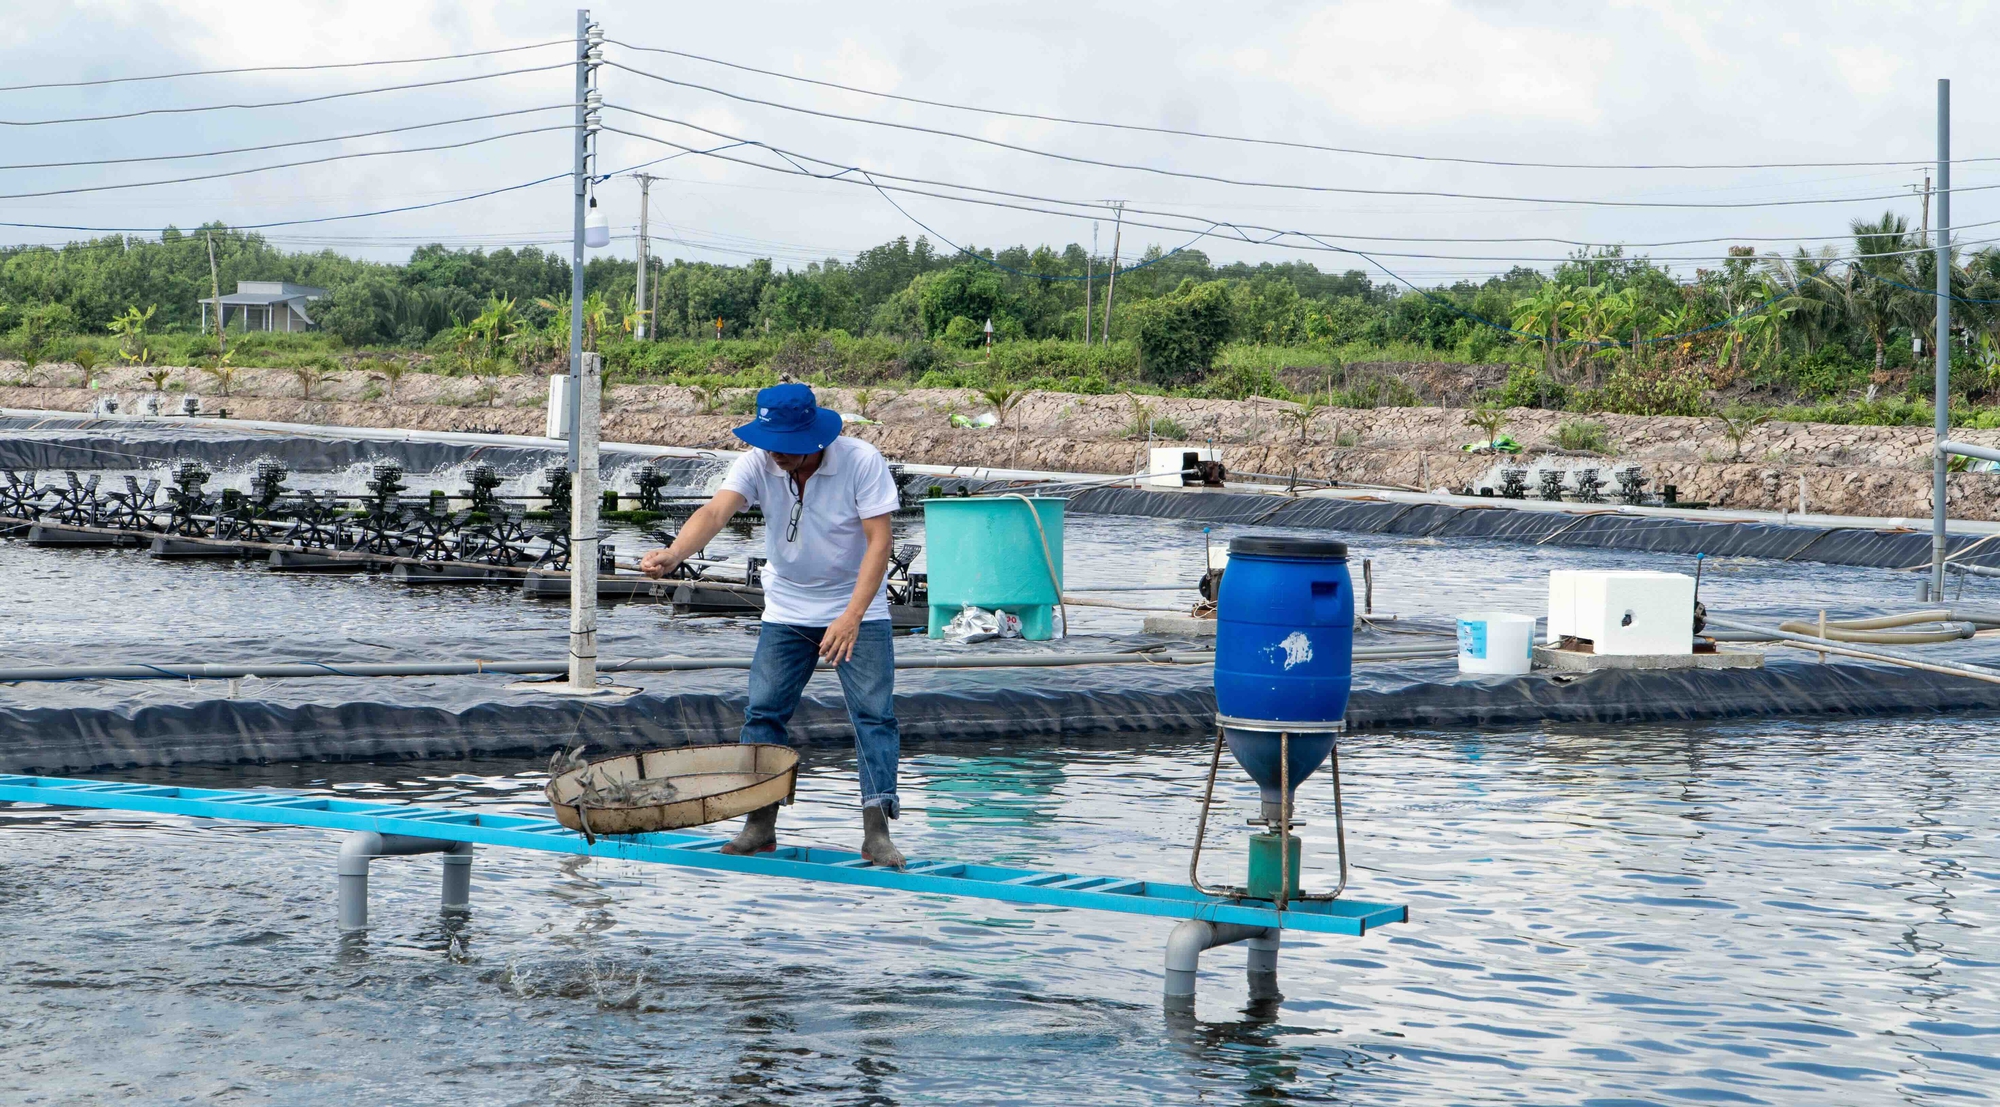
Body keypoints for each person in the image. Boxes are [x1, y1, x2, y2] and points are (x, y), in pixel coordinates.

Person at [639, 383, 906, 867]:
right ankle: (759, 824)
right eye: (771, 442)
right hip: (787, 609)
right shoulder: (759, 461)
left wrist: (851, 616)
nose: (776, 453)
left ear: (814, 437)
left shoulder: (861, 461)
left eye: (787, 444)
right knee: (763, 713)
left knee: (873, 715)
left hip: (856, 607)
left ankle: (876, 831)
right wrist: (675, 553)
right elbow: (715, 511)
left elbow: (879, 542)